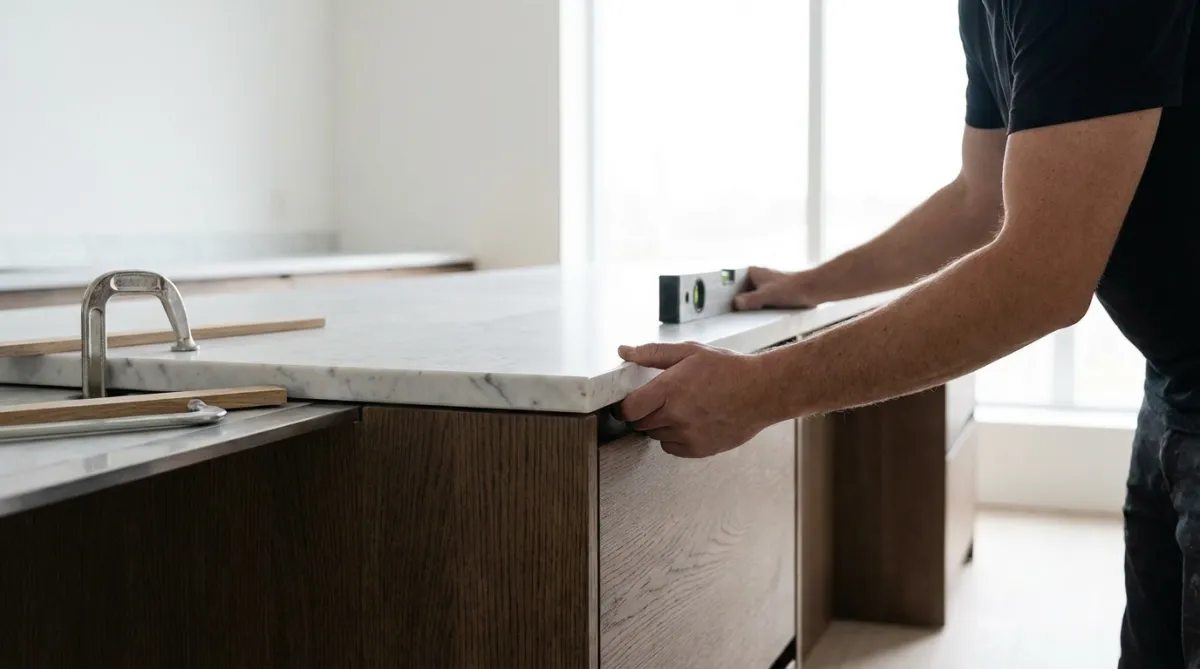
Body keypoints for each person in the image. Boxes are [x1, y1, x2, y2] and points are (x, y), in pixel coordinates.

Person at [615, 1, 1200, 666]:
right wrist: (814, 284)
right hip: (1173, 377)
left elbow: (1043, 276)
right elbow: (980, 197)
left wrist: (758, 392)